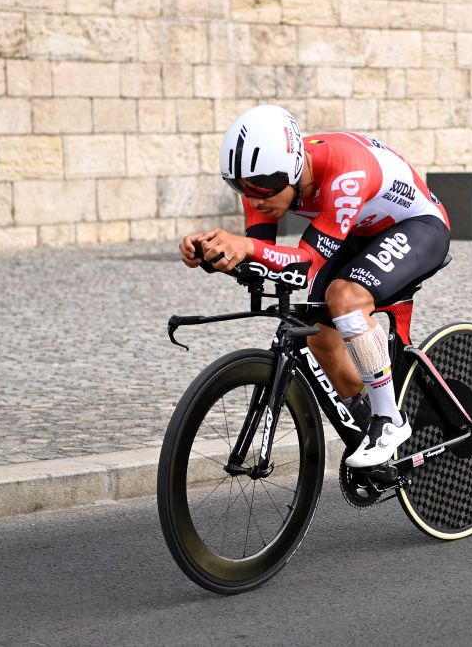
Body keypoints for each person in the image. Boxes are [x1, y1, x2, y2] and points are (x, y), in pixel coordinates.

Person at [178, 104, 450, 468]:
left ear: (293, 169)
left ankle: (390, 421)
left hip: (418, 226)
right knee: (319, 335)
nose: (256, 198)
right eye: (241, 187)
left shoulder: (344, 173)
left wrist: (245, 247)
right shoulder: (264, 180)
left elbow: (305, 265)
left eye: (264, 187)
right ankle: (368, 412)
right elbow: (261, 260)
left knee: (346, 297)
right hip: (355, 230)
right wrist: (214, 255)